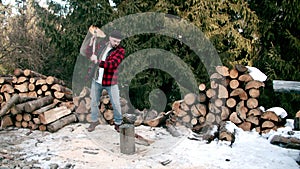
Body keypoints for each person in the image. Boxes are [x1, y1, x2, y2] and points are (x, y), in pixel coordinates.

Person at [84, 25, 125, 132]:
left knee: (116, 103)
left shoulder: (120, 51)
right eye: (115, 41)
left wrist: (97, 62)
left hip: (110, 82)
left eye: (118, 42)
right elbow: (89, 53)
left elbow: (112, 64)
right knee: (94, 102)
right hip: (97, 79)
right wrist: (91, 42)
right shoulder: (102, 45)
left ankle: (118, 123)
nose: (116, 43)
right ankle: (94, 121)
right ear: (110, 38)